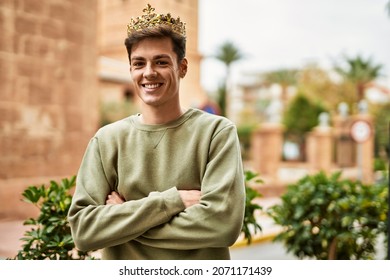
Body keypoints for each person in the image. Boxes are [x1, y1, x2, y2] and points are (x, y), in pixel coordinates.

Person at [68, 4, 245, 260]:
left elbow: (223, 225)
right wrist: (168, 203)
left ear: (182, 67)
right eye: (139, 63)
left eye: (161, 62)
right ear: (131, 69)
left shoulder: (216, 133)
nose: (149, 72)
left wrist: (126, 216)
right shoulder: (106, 140)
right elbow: (84, 231)